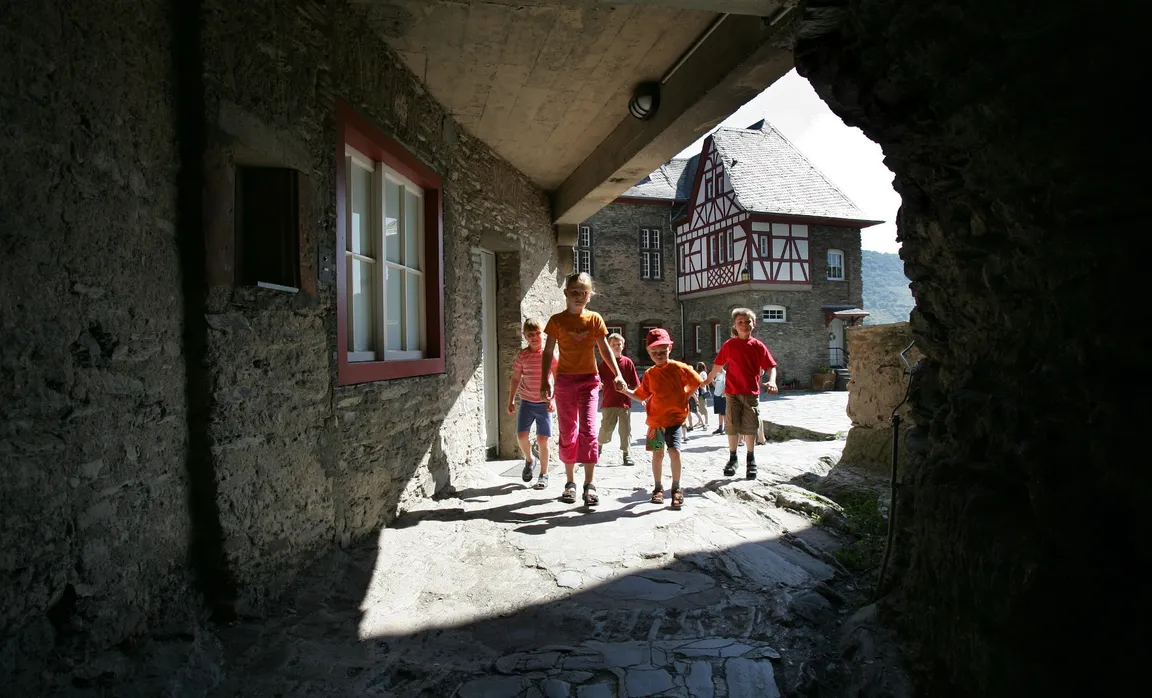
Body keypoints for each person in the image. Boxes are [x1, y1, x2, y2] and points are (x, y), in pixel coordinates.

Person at [541, 272, 623, 506]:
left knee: (588, 430)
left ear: (590, 295)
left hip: (589, 381)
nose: (579, 296)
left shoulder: (595, 319)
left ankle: (590, 483)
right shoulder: (556, 321)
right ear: (566, 293)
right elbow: (548, 352)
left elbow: (605, 349)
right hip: (565, 381)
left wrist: (617, 373)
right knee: (568, 432)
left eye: (584, 292)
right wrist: (545, 379)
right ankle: (570, 482)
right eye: (574, 291)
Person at [615, 328, 704, 509]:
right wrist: (625, 391)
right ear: (648, 352)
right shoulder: (649, 374)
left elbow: (697, 382)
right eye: (654, 352)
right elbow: (641, 396)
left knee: (675, 452)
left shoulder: (680, 368)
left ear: (670, 349)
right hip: (656, 422)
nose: (659, 355)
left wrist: (685, 395)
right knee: (658, 454)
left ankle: (677, 487)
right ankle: (658, 487)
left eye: (663, 351)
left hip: (675, 420)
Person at [704, 307, 778, 480]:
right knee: (732, 426)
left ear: (754, 324)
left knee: (750, 426)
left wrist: (772, 380)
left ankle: (751, 459)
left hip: (751, 393)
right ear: (735, 326)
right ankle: (733, 457)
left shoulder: (757, 346)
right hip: (732, 393)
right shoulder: (729, 345)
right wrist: (707, 380)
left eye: (747, 322)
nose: (744, 325)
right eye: (740, 322)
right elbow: (718, 365)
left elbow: (770, 366)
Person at [507, 318, 558, 490]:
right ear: (525, 336)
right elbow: (516, 378)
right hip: (527, 402)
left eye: (537, 333)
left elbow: (558, 379)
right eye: (530, 335)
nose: (534, 337)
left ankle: (544, 474)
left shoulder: (549, 355)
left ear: (542, 334)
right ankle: (530, 459)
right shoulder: (522, 355)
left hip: (544, 404)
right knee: (521, 436)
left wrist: (552, 400)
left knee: (543, 440)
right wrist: (511, 399)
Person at [597, 332, 640, 466]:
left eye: (619, 344)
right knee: (605, 429)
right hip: (609, 402)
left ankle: (626, 454)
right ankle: (598, 448)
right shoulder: (604, 364)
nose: (616, 346)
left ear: (623, 345)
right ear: (609, 347)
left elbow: (636, 383)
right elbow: (598, 380)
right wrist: (598, 384)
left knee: (625, 431)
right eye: (613, 345)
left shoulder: (628, 362)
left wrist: (641, 396)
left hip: (625, 403)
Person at [711, 364, 728, 435]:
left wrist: (723, 393)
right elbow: (715, 384)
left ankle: (726, 428)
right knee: (719, 412)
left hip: (722, 396)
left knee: (724, 413)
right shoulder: (717, 374)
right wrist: (711, 379)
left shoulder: (725, 374)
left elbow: (727, 384)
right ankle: (720, 428)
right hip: (716, 395)